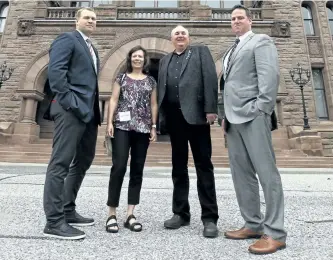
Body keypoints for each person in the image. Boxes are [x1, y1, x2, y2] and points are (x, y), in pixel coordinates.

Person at [220, 5, 287, 254]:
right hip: (233, 120)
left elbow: (269, 77)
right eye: (233, 19)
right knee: (241, 174)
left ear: (250, 20)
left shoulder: (261, 41)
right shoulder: (232, 48)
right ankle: (252, 224)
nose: (236, 21)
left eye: (240, 18)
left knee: (266, 173)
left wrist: (262, 108)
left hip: (253, 115)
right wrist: (225, 114)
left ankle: (276, 232)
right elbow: (227, 85)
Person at [43, 7, 101, 240]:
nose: (91, 21)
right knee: (61, 163)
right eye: (87, 17)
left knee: (83, 161)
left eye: (94, 19)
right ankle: (54, 222)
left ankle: (67, 209)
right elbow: (56, 73)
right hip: (71, 110)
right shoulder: (67, 39)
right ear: (76, 20)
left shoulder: (92, 47)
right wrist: (69, 102)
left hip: (88, 114)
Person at [157, 25, 219, 238]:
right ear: (171, 39)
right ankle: (180, 213)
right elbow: (162, 91)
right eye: (176, 34)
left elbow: (211, 79)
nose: (180, 36)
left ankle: (210, 218)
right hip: (175, 121)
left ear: (188, 37)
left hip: (197, 118)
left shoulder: (200, 52)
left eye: (183, 33)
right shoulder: (165, 60)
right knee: (178, 168)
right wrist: (161, 118)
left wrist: (211, 109)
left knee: (203, 167)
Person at [105, 45, 158, 233]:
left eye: (140, 56)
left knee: (137, 169)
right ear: (130, 59)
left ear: (145, 60)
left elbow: (153, 104)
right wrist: (109, 122)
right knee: (118, 166)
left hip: (143, 128)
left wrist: (153, 126)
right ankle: (111, 213)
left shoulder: (151, 81)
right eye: (134, 56)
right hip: (122, 126)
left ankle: (130, 214)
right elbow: (113, 99)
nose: (137, 59)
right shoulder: (121, 78)